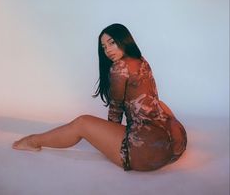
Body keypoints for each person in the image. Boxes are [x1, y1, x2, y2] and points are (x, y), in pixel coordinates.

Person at [12, 23, 187, 171]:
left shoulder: (119, 68)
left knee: (82, 123)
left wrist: (110, 135)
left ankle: (33, 141)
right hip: (177, 143)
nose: (108, 50)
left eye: (112, 43)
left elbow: (116, 110)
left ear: (124, 40)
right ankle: (159, 134)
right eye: (104, 47)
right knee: (158, 103)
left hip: (147, 154)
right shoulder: (141, 60)